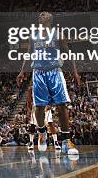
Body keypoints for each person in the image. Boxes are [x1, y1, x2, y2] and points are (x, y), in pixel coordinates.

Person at [17, 12, 80, 156]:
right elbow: (28, 55)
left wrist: (75, 72)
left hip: (55, 71)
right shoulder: (33, 36)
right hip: (38, 72)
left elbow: (68, 52)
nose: (41, 15)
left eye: (44, 14)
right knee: (38, 107)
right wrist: (22, 72)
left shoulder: (58, 34)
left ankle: (66, 141)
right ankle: (42, 132)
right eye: (40, 14)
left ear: (50, 19)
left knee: (62, 105)